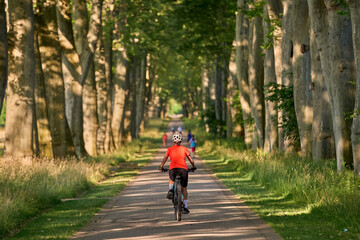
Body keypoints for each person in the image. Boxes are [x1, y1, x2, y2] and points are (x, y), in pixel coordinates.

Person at [159, 133, 196, 214]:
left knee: (171, 178)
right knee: (184, 188)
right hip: (183, 170)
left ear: (173, 141)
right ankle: (185, 207)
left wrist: (161, 167)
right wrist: (193, 166)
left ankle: (170, 190)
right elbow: (190, 159)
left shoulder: (169, 149)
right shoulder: (184, 149)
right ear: (181, 141)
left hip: (173, 169)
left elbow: (164, 159)